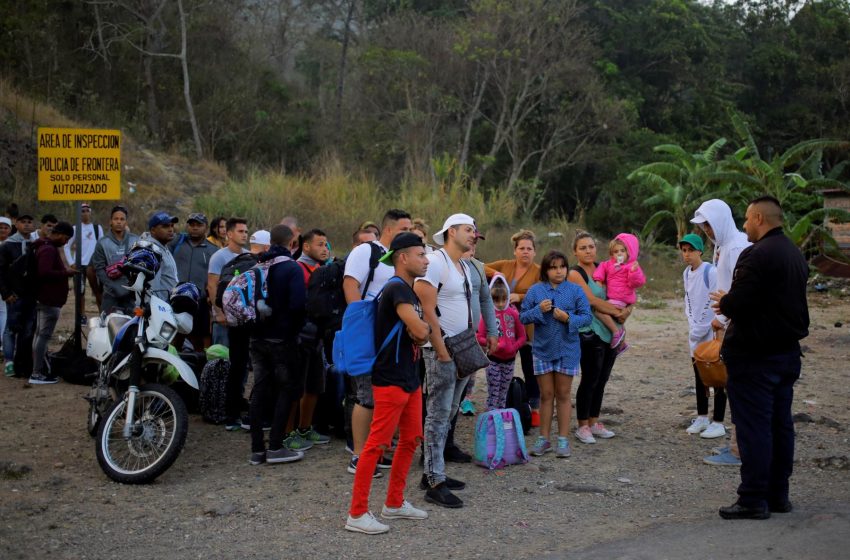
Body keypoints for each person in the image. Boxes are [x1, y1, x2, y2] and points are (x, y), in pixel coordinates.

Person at [711, 196, 809, 520]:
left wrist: (725, 301)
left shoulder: (757, 255)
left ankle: (753, 498)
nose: (743, 226)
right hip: (786, 353)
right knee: (780, 425)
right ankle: (778, 494)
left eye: (747, 219)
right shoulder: (795, 253)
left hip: (755, 357)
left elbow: (741, 302)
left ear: (758, 218)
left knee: (755, 428)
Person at [345, 232, 432, 535]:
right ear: (402, 257)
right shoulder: (396, 289)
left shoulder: (405, 289)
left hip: (410, 377)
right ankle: (356, 513)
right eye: (420, 254)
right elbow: (422, 331)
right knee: (376, 445)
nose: (426, 260)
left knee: (410, 439)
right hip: (391, 378)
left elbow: (420, 331)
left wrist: (421, 330)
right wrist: (422, 329)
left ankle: (394, 503)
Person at [415, 213, 480, 508]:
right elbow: (426, 305)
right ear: (451, 231)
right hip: (442, 349)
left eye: (474, 231)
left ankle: (434, 471)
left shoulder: (463, 264)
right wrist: (439, 348)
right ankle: (434, 480)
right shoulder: (436, 261)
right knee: (438, 415)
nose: (473, 235)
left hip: (462, 348)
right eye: (468, 230)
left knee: (449, 412)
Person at [343, 209, 412, 476]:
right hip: (368, 330)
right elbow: (350, 284)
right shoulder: (366, 252)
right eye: (404, 228)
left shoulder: (400, 257)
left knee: (387, 394)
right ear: (389, 229)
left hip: (393, 335)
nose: (409, 232)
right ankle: (359, 456)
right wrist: (359, 321)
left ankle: (378, 451)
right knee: (366, 394)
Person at [691, 199, 751, 467]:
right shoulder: (725, 246)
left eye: (709, 225)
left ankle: (740, 450)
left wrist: (722, 318)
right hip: (727, 320)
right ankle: (737, 445)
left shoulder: (737, 247)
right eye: (704, 227)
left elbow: (739, 288)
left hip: (733, 322)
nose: (707, 231)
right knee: (735, 386)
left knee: (738, 387)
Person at [520, 250, 592, 458]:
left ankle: (563, 439)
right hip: (542, 350)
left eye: (562, 266)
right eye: (553, 267)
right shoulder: (535, 291)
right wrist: (538, 311)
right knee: (546, 395)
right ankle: (543, 439)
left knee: (563, 394)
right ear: (545, 270)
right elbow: (523, 317)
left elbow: (587, 318)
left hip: (568, 350)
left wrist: (568, 318)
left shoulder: (576, 291)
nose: (558, 271)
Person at [247, 225, 307, 466]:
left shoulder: (259, 265)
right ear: (292, 242)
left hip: (257, 338)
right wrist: (295, 330)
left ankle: (256, 450)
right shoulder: (291, 268)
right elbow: (298, 305)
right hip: (282, 339)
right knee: (286, 389)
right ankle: (275, 447)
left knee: (259, 390)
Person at [569, 232, 631, 444]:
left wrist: (628, 310)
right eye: (583, 247)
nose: (588, 251)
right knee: (590, 378)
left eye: (591, 247)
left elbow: (625, 290)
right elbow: (591, 300)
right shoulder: (575, 273)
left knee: (602, 379)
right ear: (575, 251)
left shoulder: (606, 267)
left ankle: (594, 421)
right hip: (590, 332)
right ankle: (582, 425)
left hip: (612, 331)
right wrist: (617, 312)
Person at [485, 229, 542, 426]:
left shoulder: (539, 271)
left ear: (534, 252)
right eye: (521, 248)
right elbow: (480, 267)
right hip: (501, 325)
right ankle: (498, 404)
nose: (525, 252)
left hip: (527, 326)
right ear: (515, 251)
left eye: (529, 248)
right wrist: (497, 274)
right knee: (500, 365)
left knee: (530, 367)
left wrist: (521, 297)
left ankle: (534, 408)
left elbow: (545, 293)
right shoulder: (505, 265)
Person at [679, 233, 726, 440]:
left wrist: (703, 325)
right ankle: (702, 416)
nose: (687, 254)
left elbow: (714, 300)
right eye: (684, 250)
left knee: (716, 373)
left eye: (690, 250)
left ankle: (718, 421)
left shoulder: (711, 271)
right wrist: (692, 324)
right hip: (694, 330)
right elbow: (688, 300)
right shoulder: (686, 274)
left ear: (700, 251)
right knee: (699, 373)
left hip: (711, 329)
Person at [288, 228, 332, 448]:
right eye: (320, 244)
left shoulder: (323, 269)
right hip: (299, 338)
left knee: (314, 385)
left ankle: (305, 429)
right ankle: (288, 434)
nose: (324, 249)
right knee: (295, 386)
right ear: (306, 246)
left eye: (326, 245)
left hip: (318, 337)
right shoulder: (297, 269)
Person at [207, 217, 251, 430]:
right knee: (223, 362)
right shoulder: (219, 257)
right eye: (240, 231)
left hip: (243, 321)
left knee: (241, 365)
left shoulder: (249, 256)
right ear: (229, 234)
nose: (244, 235)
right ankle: (220, 408)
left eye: (246, 231)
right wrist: (219, 313)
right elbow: (212, 285)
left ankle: (236, 406)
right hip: (224, 320)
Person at [28, 221, 76, 385]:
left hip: (46, 299)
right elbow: (44, 272)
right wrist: (66, 272)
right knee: (43, 336)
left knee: (40, 335)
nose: (66, 242)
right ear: (61, 234)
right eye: (67, 238)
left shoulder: (44, 246)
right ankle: (37, 373)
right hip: (48, 301)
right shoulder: (48, 249)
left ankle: (38, 369)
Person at [477, 274, 526, 410]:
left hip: (509, 361)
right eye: (496, 300)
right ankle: (491, 422)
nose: (500, 303)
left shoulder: (514, 313)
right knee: (494, 393)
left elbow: (522, 337)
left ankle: (501, 424)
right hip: (493, 360)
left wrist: (513, 347)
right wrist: (494, 345)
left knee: (504, 394)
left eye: (504, 299)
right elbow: (479, 336)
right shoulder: (487, 315)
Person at [170, 213, 217, 350]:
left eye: (199, 225)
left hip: (199, 302)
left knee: (200, 342)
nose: (195, 228)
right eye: (192, 224)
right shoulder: (176, 243)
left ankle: (200, 370)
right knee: (174, 340)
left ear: (206, 228)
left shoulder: (213, 250)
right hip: (176, 300)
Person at [591, 234, 646, 352]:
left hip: (622, 300)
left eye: (622, 251)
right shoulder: (608, 264)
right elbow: (600, 271)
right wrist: (598, 281)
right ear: (611, 254)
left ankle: (617, 333)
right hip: (613, 298)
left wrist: (634, 272)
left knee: (599, 311)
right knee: (611, 315)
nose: (619, 254)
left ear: (628, 252)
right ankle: (622, 343)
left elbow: (637, 282)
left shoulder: (630, 266)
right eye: (616, 252)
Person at [0, 214, 38, 377]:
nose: (27, 225)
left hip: (30, 295)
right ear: (16, 224)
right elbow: (1, 272)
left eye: (30, 222)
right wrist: (6, 293)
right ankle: (9, 361)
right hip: (14, 296)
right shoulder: (8, 246)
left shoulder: (34, 244)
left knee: (28, 330)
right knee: (10, 329)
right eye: (23, 222)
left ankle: (22, 362)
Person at [91, 206, 139, 315]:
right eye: (116, 219)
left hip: (131, 296)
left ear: (126, 222)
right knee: (108, 327)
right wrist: (113, 286)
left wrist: (134, 286)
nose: (119, 222)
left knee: (132, 328)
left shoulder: (135, 240)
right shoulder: (102, 243)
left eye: (122, 219)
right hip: (110, 295)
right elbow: (99, 269)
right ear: (110, 221)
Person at [63, 202, 105, 316]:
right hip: (79, 265)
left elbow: (102, 246)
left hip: (94, 265)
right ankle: (81, 316)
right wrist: (71, 262)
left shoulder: (97, 228)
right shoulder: (75, 228)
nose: (85, 213)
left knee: (98, 291)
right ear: (79, 213)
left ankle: (102, 315)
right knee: (80, 293)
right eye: (82, 211)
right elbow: (66, 245)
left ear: (90, 212)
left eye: (87, 210)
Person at [139, 212, 179, 301]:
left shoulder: (162, 246)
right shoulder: (151, 250)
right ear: (153, 230)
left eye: (172, 226)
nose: (170, 229)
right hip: (158, 308)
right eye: (165, 226)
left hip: (167, 306)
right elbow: (151, 288)